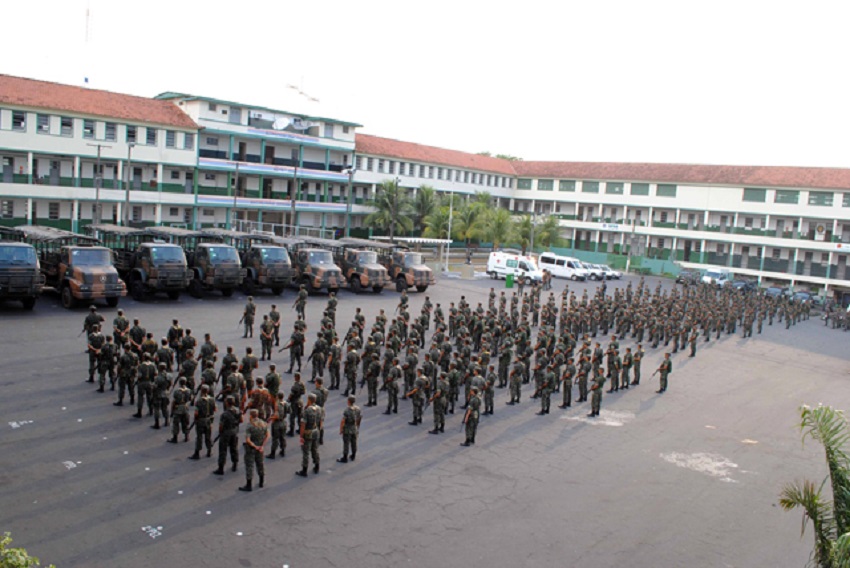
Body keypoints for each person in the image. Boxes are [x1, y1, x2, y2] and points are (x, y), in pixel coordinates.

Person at [240, 408, 269, 491]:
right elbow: (267, 435)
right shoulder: (263, 424)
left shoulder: (250, 425)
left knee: (249, 465)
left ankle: (249, 485)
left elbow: (248, 440)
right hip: (260, 448)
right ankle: (261, 481)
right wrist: (262, 446)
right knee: (260, 464)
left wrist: (254, 446)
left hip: (251, 448)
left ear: (251, 416)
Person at [213, 396, 242, 475]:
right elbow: (241, 420)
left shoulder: (225, 414)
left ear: (227, 403)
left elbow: (221, 426)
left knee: (223, 450)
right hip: (234, 431)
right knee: (234, 448)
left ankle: (221, 468)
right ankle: (235, 464)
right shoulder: (238, 410)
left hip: (226, 433)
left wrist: (221, 432)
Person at [296, 393, 322, 477]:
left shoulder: (307, 410)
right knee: (315, 449)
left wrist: (301, 436)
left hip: (308, 433)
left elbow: (303, 424)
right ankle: (317, 466)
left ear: (309, 400)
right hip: (316, 431)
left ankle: (304, 470)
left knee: (306, 452)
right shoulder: (319, 408)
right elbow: (321, 421)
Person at [189, 385, 216, 460]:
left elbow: (196, 413)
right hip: (208, 420)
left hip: (201, 420)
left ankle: (197, 453)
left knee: (199, 437)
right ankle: (209, 451)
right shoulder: (212, 399)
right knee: (208, 436)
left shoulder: (199, 401)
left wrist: (196, 419)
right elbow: (214, 409)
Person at [337, 395, 362, 463]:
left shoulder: (347, 410)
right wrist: (357, 426)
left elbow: (343, 421)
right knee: (354, 442)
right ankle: (353, 455)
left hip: (348, 428)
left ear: (348, 401)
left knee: (346, 443)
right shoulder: (358, 408)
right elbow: (359, 418)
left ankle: (345, 458)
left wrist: (341, 429)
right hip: (354, 427)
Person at [167, 377, 192, 443]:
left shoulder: (177, 391)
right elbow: (190, 399)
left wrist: (172, 412)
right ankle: (186, 436)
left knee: (176, 423)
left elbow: (174, 401)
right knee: (185, 423)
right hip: (185, 407)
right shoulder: (188, 390)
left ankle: (175, 438)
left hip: (178, 408)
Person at [267, 391, 289, 460]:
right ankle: (283, 450)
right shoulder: (285, 403)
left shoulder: (277, 404)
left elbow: (276, 416)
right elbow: (289, 411)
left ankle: (272, 453)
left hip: (277, 423)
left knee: (275, 438)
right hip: (283, 422)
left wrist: (270, 418)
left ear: (277, 397)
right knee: (282, 437)